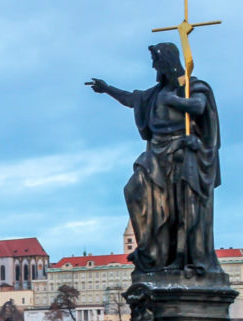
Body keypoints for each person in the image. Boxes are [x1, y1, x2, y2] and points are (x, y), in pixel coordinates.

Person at [88, 42, 222, 276]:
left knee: (183, 208)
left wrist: (175, 100)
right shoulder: (155, 93)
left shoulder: (190, 86)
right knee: (134, 190)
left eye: (156, 64)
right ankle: (152, 252)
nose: (154, 69)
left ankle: (181, 258)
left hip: (183, 151)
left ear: (167, 63)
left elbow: (199, 107)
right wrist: (107, 89)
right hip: (156, 153)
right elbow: (131, 99)